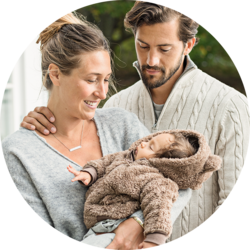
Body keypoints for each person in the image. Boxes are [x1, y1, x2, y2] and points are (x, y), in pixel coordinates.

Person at [20, 1, 250, 244]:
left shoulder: (231, 107)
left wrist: (141, 227)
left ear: (188, 45)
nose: (150, 60)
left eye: (164, 49)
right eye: (142, 46)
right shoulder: (117, 106)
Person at [0, 10, 193, 249]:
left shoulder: (121, 124)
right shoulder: (19, 153)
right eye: (92, 80)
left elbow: (182, 179)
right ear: (56, 74)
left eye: (106, 79)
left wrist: (135, 226)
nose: (102, 93)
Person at [66, 129, 221, 249]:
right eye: (149, 140)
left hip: (115, 225)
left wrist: (154, 239)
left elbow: (159, 208)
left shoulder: (155, 180)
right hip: (98, 223)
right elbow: (103, 163)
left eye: (150, 146)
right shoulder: (125, 157)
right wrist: (89, 173)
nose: (142, 143)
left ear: (163, 162)